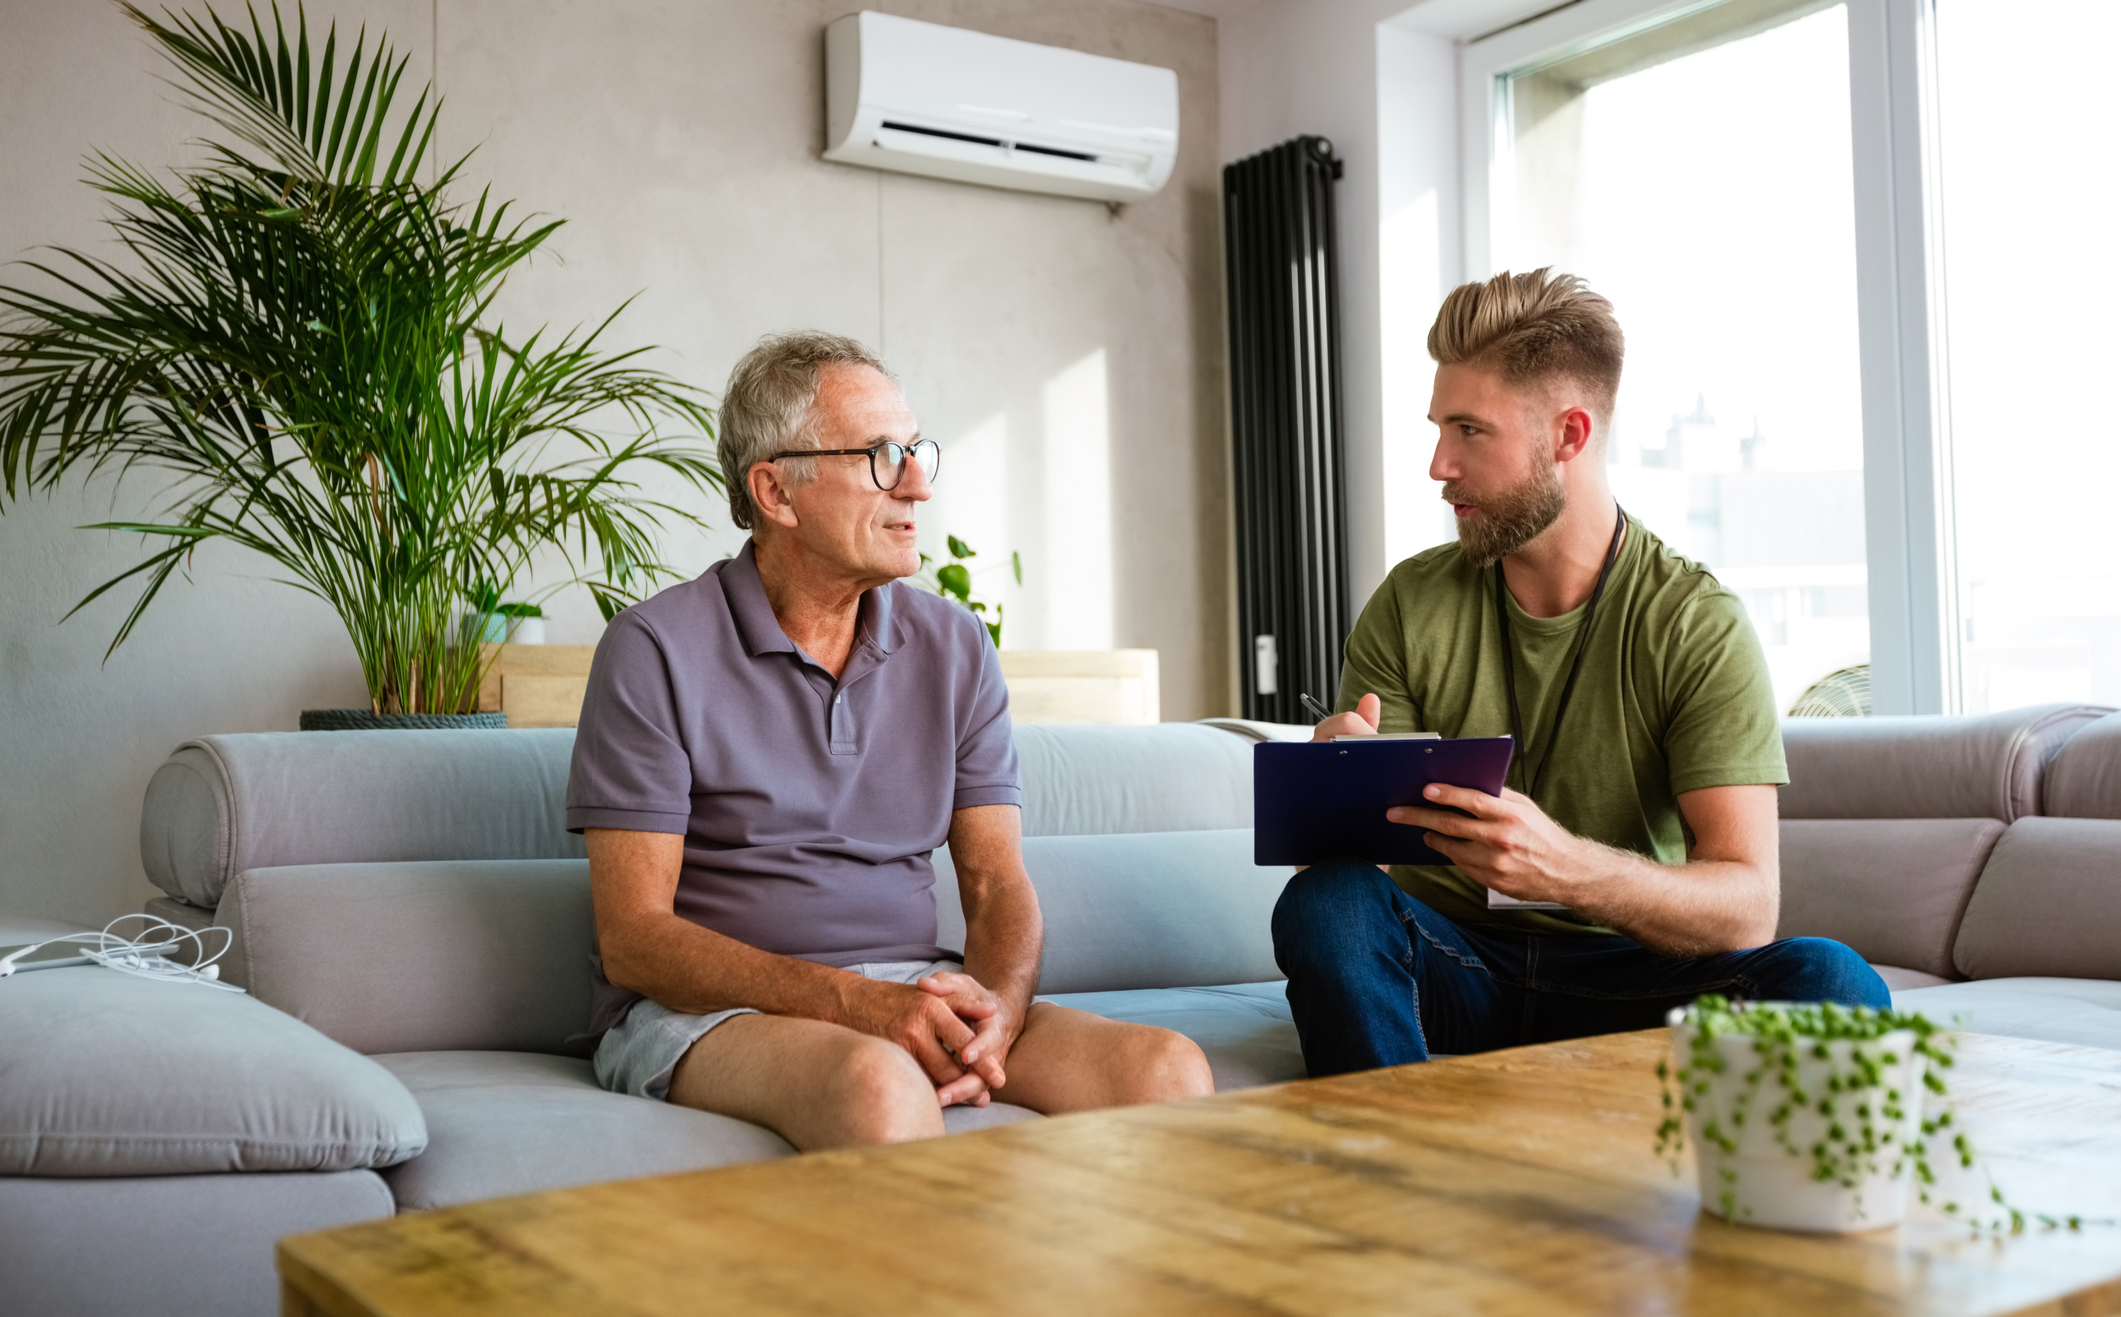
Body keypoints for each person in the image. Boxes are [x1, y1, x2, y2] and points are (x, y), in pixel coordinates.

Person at [569, 331, 1213, 1149]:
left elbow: (995, 885)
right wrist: (858, 1007)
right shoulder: (652, 649)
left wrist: (998, 1020)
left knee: (1167, 1071)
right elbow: (634, 940)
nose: (918, 483)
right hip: (706, 1014)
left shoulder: (953, 644)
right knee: (879, 1081)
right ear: (775, 490)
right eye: (880, 454)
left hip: (911, 990)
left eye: (916, 451)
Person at [1271, 270, 1888, 1077]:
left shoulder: (1694, 623)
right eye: (1437, 428)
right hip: (1455, 966)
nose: (1436, 465)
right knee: (1326, 905)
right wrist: (1334, 795)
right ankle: (1393, 1164)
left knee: (1831, 978)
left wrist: (1563, 867)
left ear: (1568, 435)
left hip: (1634, 976)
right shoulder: (1412, 600)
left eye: (1468, 431)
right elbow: (1346, 886)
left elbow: (1747, 908)